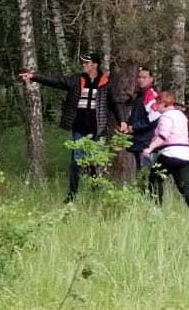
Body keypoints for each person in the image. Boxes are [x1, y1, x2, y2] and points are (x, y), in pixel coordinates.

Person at [19, 52, 123, 202]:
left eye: (86, 63)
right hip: (79, 128)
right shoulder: (77, 80)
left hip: (97, 129)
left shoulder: (106, 83)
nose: (84, 66)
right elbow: (56, 81)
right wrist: (34, 76)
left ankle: (96, 191)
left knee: (94, 161)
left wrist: (122, 121)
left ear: (94, 64)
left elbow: (114, 104)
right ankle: (72, 194)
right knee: (76, 160)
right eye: (83, 63)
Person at [142, 90, 189, 214]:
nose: (156, 106)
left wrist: (150, 148)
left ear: (163, 104)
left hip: (170, 154)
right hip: (186, 155)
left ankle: (156, 210)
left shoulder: (166, 116)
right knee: (184, 185)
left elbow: (163, 135)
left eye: (158, 103)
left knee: (154, 179)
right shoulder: (181, 115)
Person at [122, 66, 159, 172]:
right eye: (139, 77)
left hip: (147, 141)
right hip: (138, 139)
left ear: (151, 79)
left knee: (147, 172)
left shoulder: (151, 95)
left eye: (144, 77)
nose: (141, 80)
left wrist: (134, 127)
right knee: (140, 172)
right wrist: (128, 126)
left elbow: (153, 118)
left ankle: (150, 189)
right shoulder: (138, 96)